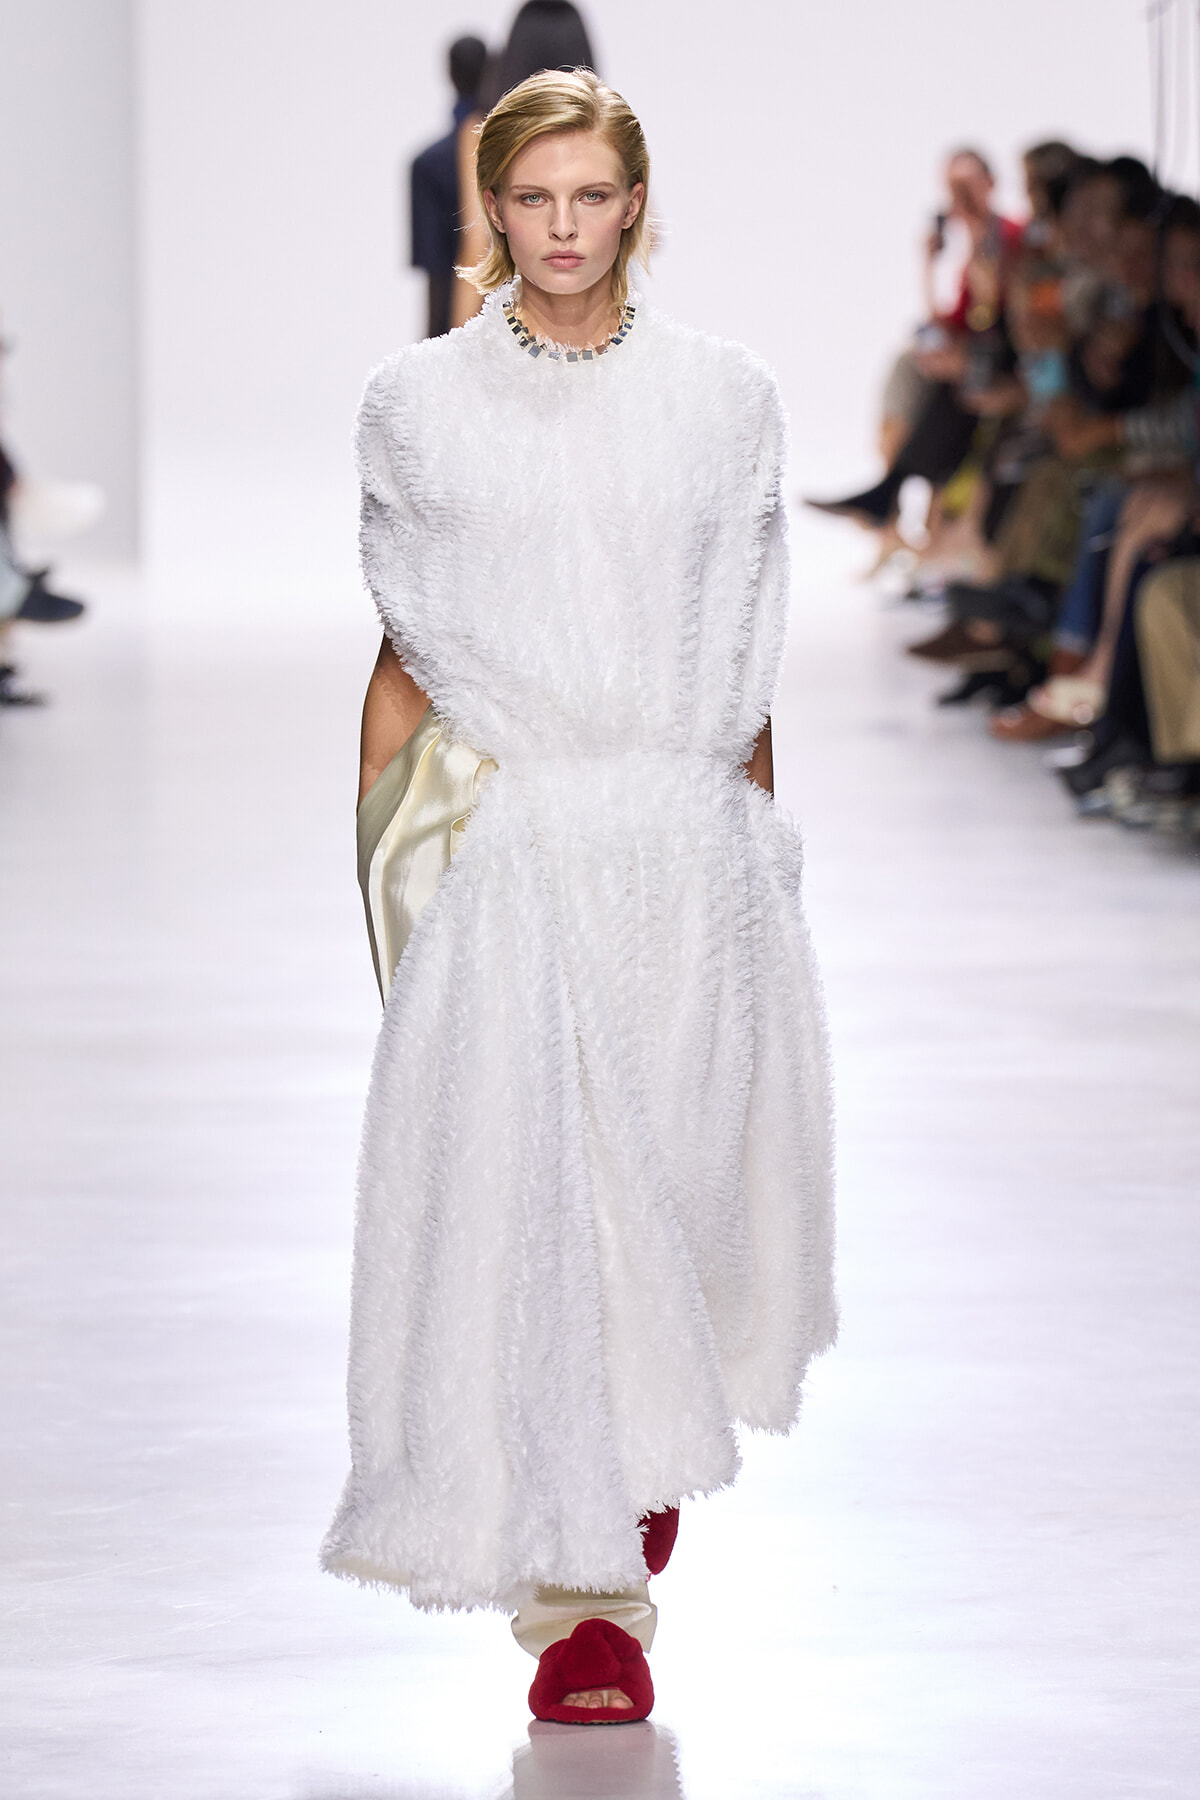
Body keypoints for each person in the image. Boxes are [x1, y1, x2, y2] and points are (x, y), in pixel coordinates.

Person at [322, 69, 836, 1726]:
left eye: (587, 199)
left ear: (635, 205)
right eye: (529, 200)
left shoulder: (724, 399)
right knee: (546, 1217)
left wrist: (766, 842)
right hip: (525, 853)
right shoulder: (419, 404)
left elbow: (740, 623)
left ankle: (638, 1444)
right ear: (492, 209)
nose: (559, 230)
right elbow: (409, 653)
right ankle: (587, 1601)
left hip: (690, 846)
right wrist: (395, 889)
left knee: (672, 1201)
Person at [451, 1, 597, 330]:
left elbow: (477, 243)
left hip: (519, 318)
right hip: (597, 313)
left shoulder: (483, 130)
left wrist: (455, 338)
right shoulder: (606, 131)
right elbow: (649, 236)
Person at [409, 35, 488, 340]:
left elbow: (436, 277)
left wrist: (430, 351)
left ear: (449, 74)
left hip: (454, 333)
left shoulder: (427, 164)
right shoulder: (513, 156)